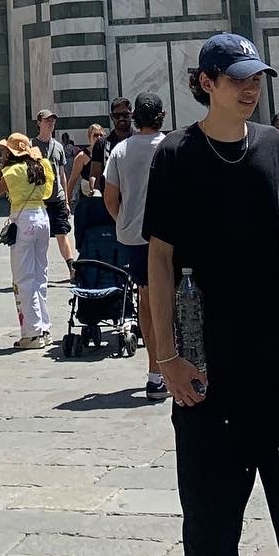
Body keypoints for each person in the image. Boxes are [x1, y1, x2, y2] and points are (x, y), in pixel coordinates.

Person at [143, 33, 279, 556]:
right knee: (210, 536)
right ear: (206, 83)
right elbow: (158, 262)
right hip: (208, 379)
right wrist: (167, 357)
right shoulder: (175, 156)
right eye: (238, 79)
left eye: (256, 78)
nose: (251, 88)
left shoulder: (277, 148)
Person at [103, 91, 168, 399]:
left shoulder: (120, 151)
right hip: (171, 236)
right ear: (161, 117)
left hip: (135, 238)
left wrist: (124, 222)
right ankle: (179, 365)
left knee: (146, 298)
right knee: (176, 299)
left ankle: (155, 373)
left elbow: (109, 198)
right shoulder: (173, 145)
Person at [0, 132, 54, 349]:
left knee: (23, 278)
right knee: (40, 275)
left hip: (23, 219)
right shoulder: (41, 167)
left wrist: (2, 165)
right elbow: (48, 192)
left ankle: (32, 332)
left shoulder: (12, 170)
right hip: (42, 217)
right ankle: (44, 328)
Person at [34, 110, 75, 277]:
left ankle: (72, 267)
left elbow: (62, 174)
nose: (50, 123)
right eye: (47, 120)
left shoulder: (58, 147)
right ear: (39, 122)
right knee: (37, 237)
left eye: (53, 121)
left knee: (62, 233)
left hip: (56, 198)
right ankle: (37, 270)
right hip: (38, 199)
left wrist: (66, 199)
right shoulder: (31, 146)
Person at [91, 99, 134, 189]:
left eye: (125, 115)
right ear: (111, 117)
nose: (121, 118)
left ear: (131, 115)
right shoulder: (101, 143)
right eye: (117, 115)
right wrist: (95, 190)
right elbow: (95, 174)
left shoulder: (139, 140)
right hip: (108, 198)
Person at [67, 125, 103, 205]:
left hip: (104, 196)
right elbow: (73, 180)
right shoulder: (82, 156)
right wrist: (67, 201)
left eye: (101, 135)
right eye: (96, 135)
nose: (99, 137)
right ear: (89, 137)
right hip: (87, 198)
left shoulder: (106, 153)